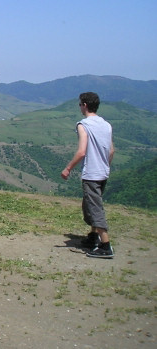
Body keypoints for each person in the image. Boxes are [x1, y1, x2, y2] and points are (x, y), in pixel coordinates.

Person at [61, 92, 115, 259]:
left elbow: (82, 151)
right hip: (103, 172)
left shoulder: (83, 125)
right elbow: (111, 150)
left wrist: (68, 168)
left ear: (84, 105)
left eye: (80, 104)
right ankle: (93, 236)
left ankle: (105, 245)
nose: (79, 107)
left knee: (94, 208)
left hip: (92, 173)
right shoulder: (106, 125)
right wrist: (105, 165)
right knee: (90, 204)